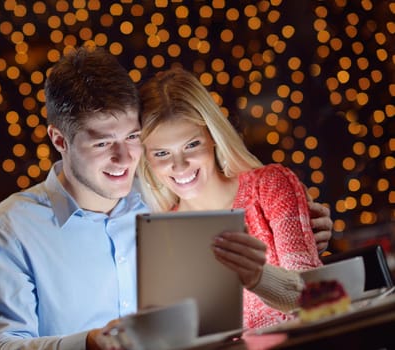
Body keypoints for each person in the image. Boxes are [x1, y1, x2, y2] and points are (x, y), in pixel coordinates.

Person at [0, 46, 333, 350]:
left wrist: (298, 218)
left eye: (132, 138)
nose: (125, 158)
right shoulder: (12, 227)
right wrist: (88, 343)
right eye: (102, 143)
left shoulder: (164, 199)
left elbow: (308, 293)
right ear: (60, 140)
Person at [136, 67, 325, 329]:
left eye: (192, 145)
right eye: (161, 154)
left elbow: (317, 297)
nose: (180, 166)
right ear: (146, 158)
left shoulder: (269, 187)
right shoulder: (162, 232)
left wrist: (258, 277)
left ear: (212, 137)